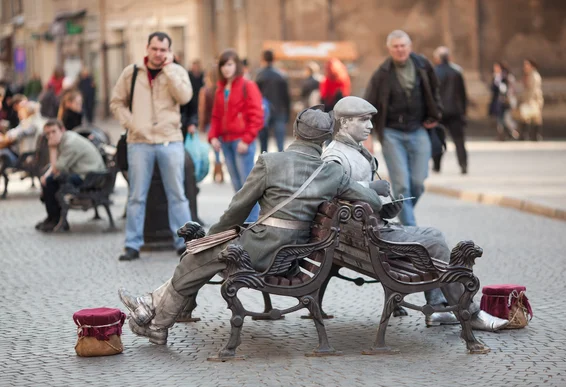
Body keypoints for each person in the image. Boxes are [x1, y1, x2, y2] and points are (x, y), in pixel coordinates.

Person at [118, 106, 384, 344]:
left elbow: (237, 209)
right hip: (291, 254)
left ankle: (156, 322)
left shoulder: (271, 162)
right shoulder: (332, 172)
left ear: (295, 131)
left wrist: (211, 237)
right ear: (325, 138)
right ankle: (149, 306)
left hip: (262, 250)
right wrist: (372, 186)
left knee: (194, 256)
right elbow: (374, 200)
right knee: (198, 256)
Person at [322, 96, 508, 331]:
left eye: (370, 120)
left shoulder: (353, 150)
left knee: (431, 234)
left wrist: (384, 205)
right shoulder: (336, 156)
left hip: (365, 233)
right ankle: (468, 313)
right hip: (367, 238)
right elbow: (335, 190)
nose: (370, 125)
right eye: (363, 120)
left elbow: (350, 196)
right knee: (433, 242)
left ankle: (440, 307)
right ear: (345, 123)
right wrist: (372, 189)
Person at [110, 31, 193, 261]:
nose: (158, 54)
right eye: (154, 49)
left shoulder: (176, 72)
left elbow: (185, 97)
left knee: (177, 194)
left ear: (169, 52)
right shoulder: (132, 73)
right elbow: (116, 102)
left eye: (163, 50)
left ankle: (186, 243)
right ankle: (132, 245)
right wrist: (132, 123)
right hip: (139, 142)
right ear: (147, 48)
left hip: (170, 141)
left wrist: (168, 69)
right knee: (137, 195)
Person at [364, 30, 443, 227]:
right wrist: (368, 135)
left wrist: (436, 114)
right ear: (389, 49)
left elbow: (435, 90)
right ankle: (411, 230)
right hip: (392, 133)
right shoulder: (382, 73)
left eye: (403, 46)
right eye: (395, 47)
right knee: (401, 186)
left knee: (418, 182)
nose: (400, 50)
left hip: (418, 129)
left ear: (409, 46)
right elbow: (368, 104)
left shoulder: (423, 65)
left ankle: (398, 212)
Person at [208, 49, 263, 223]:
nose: (226, 68)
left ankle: (252, 223)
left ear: (237, 65)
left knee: (247, 187)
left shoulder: (248, 86)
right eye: (223, 65)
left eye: (230, 64)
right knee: (237, 186)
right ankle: (241, 222)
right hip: (226, 142)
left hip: (241, 142)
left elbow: (257, 116)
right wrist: (213, 137)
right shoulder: (220, 89)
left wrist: (247, 139)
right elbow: (216, 117)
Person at [35, 120, 106, 232]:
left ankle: (56, 219)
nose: (51, 136)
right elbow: (56, 167)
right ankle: (52, 217)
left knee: (51, 181)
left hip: (91, 177)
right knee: (49, 179)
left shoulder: (69, 143)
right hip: (86, 174)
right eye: (48, 134)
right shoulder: (65, 139)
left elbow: (57, 168)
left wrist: (52, 148)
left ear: (62, 130)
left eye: (54, 131)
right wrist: (46, 175)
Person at [433, 46, 468, 174]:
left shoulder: (435, 71)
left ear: (437, 58)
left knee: (438, 140)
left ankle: (436, 165)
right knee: (459, 140)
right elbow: (463, 95)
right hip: (455, 111)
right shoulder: (457, 71)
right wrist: (463, 111)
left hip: (440, 112)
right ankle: (463, 165)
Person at [255, 49, 291, 153]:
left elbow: (255, 96)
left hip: (263, 111)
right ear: (274, 59)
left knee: (263, 143)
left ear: (262, 59)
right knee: (280, 144)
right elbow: (286, 97)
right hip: (279, 111)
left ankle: (264, 165)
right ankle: (281, 165)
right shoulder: (281, 75)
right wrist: (287, 113)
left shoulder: (259, 75)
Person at [0, 101, 46, 178]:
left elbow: (20, 133)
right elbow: (17, 130)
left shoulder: (32, 122)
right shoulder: (33, 121)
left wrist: (8, 136)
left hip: (26, 153)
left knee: (3, 152)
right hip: (27, 152)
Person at [197, 64, 223, 183]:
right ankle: (219, 169)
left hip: (210, 122)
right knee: (222, 146)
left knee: (215, 147)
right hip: (222, 122)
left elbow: (202, 109)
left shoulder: (205, 90)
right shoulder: (222, 90)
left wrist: (201, 125)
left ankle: (217, 168)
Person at [489, 62, 519, 141]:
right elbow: (493, 89)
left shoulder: (507, 77)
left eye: (497, 67)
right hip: (498, 101)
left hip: (506, 101)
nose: (495, 69)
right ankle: (501, 135)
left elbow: (510, 89)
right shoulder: (495, 77)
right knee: (499, 119)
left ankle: (514, 132)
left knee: (506, 118)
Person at [519, 59, 544, 141]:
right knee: (525, 117)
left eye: (527, 65)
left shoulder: (534, 76)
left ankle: (536, 135)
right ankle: (525, 135)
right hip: (528, 99)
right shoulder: (528, 75)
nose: (525, 67)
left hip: (533, 100)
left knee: (535, 118)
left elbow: (533, 90)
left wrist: (529, 100)